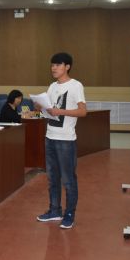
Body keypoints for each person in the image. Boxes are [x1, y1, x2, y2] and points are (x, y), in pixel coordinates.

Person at [34, 52, 86, 230]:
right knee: (52, 178)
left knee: (68, 180)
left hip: (66, 140)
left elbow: (83, 111)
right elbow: (49, 108)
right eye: (52, 65)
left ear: (67, 67)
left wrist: (60, 112)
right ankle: (54, 210)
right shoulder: (52, 86)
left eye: (57, 65)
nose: (53, 68)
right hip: (50, 137)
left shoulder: (75, 85)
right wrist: (40, 106)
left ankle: (69, 214)